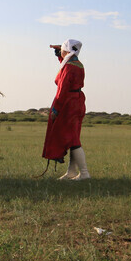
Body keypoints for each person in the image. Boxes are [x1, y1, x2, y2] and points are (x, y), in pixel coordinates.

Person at [42, 38, 89, 180]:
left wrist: (56, 109)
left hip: (69, 104)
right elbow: (65, 65)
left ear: (67, 51)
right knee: (72, 137)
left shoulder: (69, 67)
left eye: (62, 50)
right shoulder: (77, 64)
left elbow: (62, 89)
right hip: (77, 101)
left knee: (73, 139)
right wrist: (58, 54)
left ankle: (85, 173)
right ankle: (72, 172)